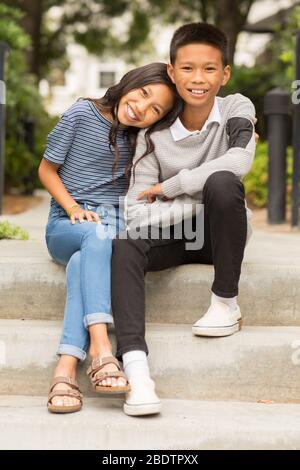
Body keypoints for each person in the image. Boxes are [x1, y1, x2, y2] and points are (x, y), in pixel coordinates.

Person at [111, 22, 256, 417]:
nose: (198, 79)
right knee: (123, 245)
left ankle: (225, 303)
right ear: (172, 73)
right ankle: (137, 372)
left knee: (224, 182)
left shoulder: (237, 108)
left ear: (224, 74)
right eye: (188, 68)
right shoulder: (153, 134)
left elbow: (239, 161)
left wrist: (174, 185)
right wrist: (196, 201)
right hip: (173, 237)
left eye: (210, 69)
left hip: (220, 237)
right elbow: (137, 215)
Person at [38, 62, 182, 413]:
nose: (141, 108)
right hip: (66, 223)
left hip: (109, 228)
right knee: (96, 239)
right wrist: (73, 208)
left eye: (155, 110)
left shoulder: (143, 138)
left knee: (82, 262)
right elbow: (46, 169)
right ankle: (101, 347)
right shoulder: (80, 113)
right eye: (144, 93)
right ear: (132, 81)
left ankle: (66, 368)